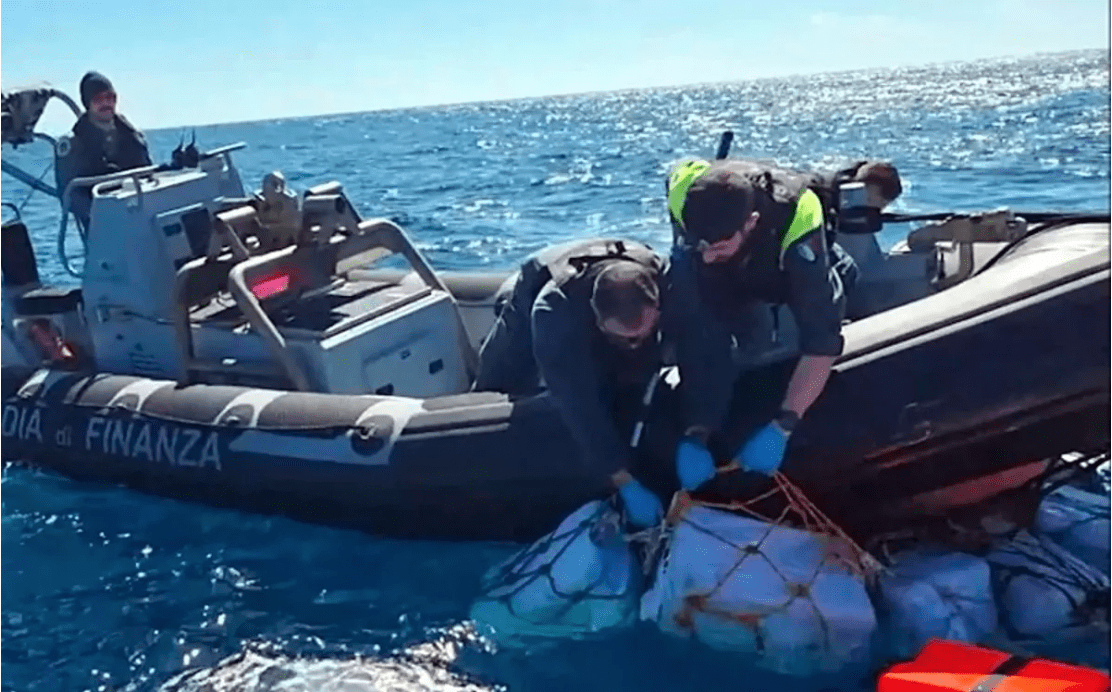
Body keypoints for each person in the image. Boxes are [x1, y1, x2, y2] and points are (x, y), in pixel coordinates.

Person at [662, 158, 867, 491]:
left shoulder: (800, 217)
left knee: (822, 292)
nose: (707, 255)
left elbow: (821, 342)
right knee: (692, 297)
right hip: (728, 253)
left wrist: (783, 425)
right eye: (702, 245)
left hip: (778, 255)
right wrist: (696, 429)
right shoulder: (683, 192)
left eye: (717, 248)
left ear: (750, 222)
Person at [471, 238, 677, 529]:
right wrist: (624, 481)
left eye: (642, 333)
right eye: (627, 338)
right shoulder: (554, 313)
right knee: (498, 380)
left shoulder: (669, 283)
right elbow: (579, 403)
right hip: (536, 288)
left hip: (623, 266)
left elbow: (702, 356)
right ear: (598, 320)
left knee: (634, 374)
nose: (635, 344)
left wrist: (699, 430)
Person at [54, 71, 153, 228]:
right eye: (99, 99)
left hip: (143, 218)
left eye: (110, 97)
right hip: (104, 229)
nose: (106, 103)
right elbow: (69, 196)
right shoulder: (73, 144)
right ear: (88, 103)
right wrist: (101, 214)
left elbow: (150, 175)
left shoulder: (133, 136)